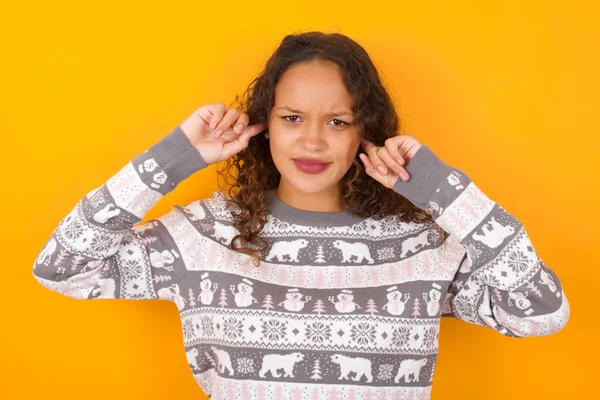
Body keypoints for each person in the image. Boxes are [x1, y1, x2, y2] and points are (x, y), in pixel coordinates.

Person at [33, 31, 570, 400]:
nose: (312, 140)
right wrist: (172, 158)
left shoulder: (423, 247)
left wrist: (448, 196)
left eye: (338, 121)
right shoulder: (201, 237)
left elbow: (540, 313)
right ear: (266, 124)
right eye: (293, 117)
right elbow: (62, 268)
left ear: (365, 130)